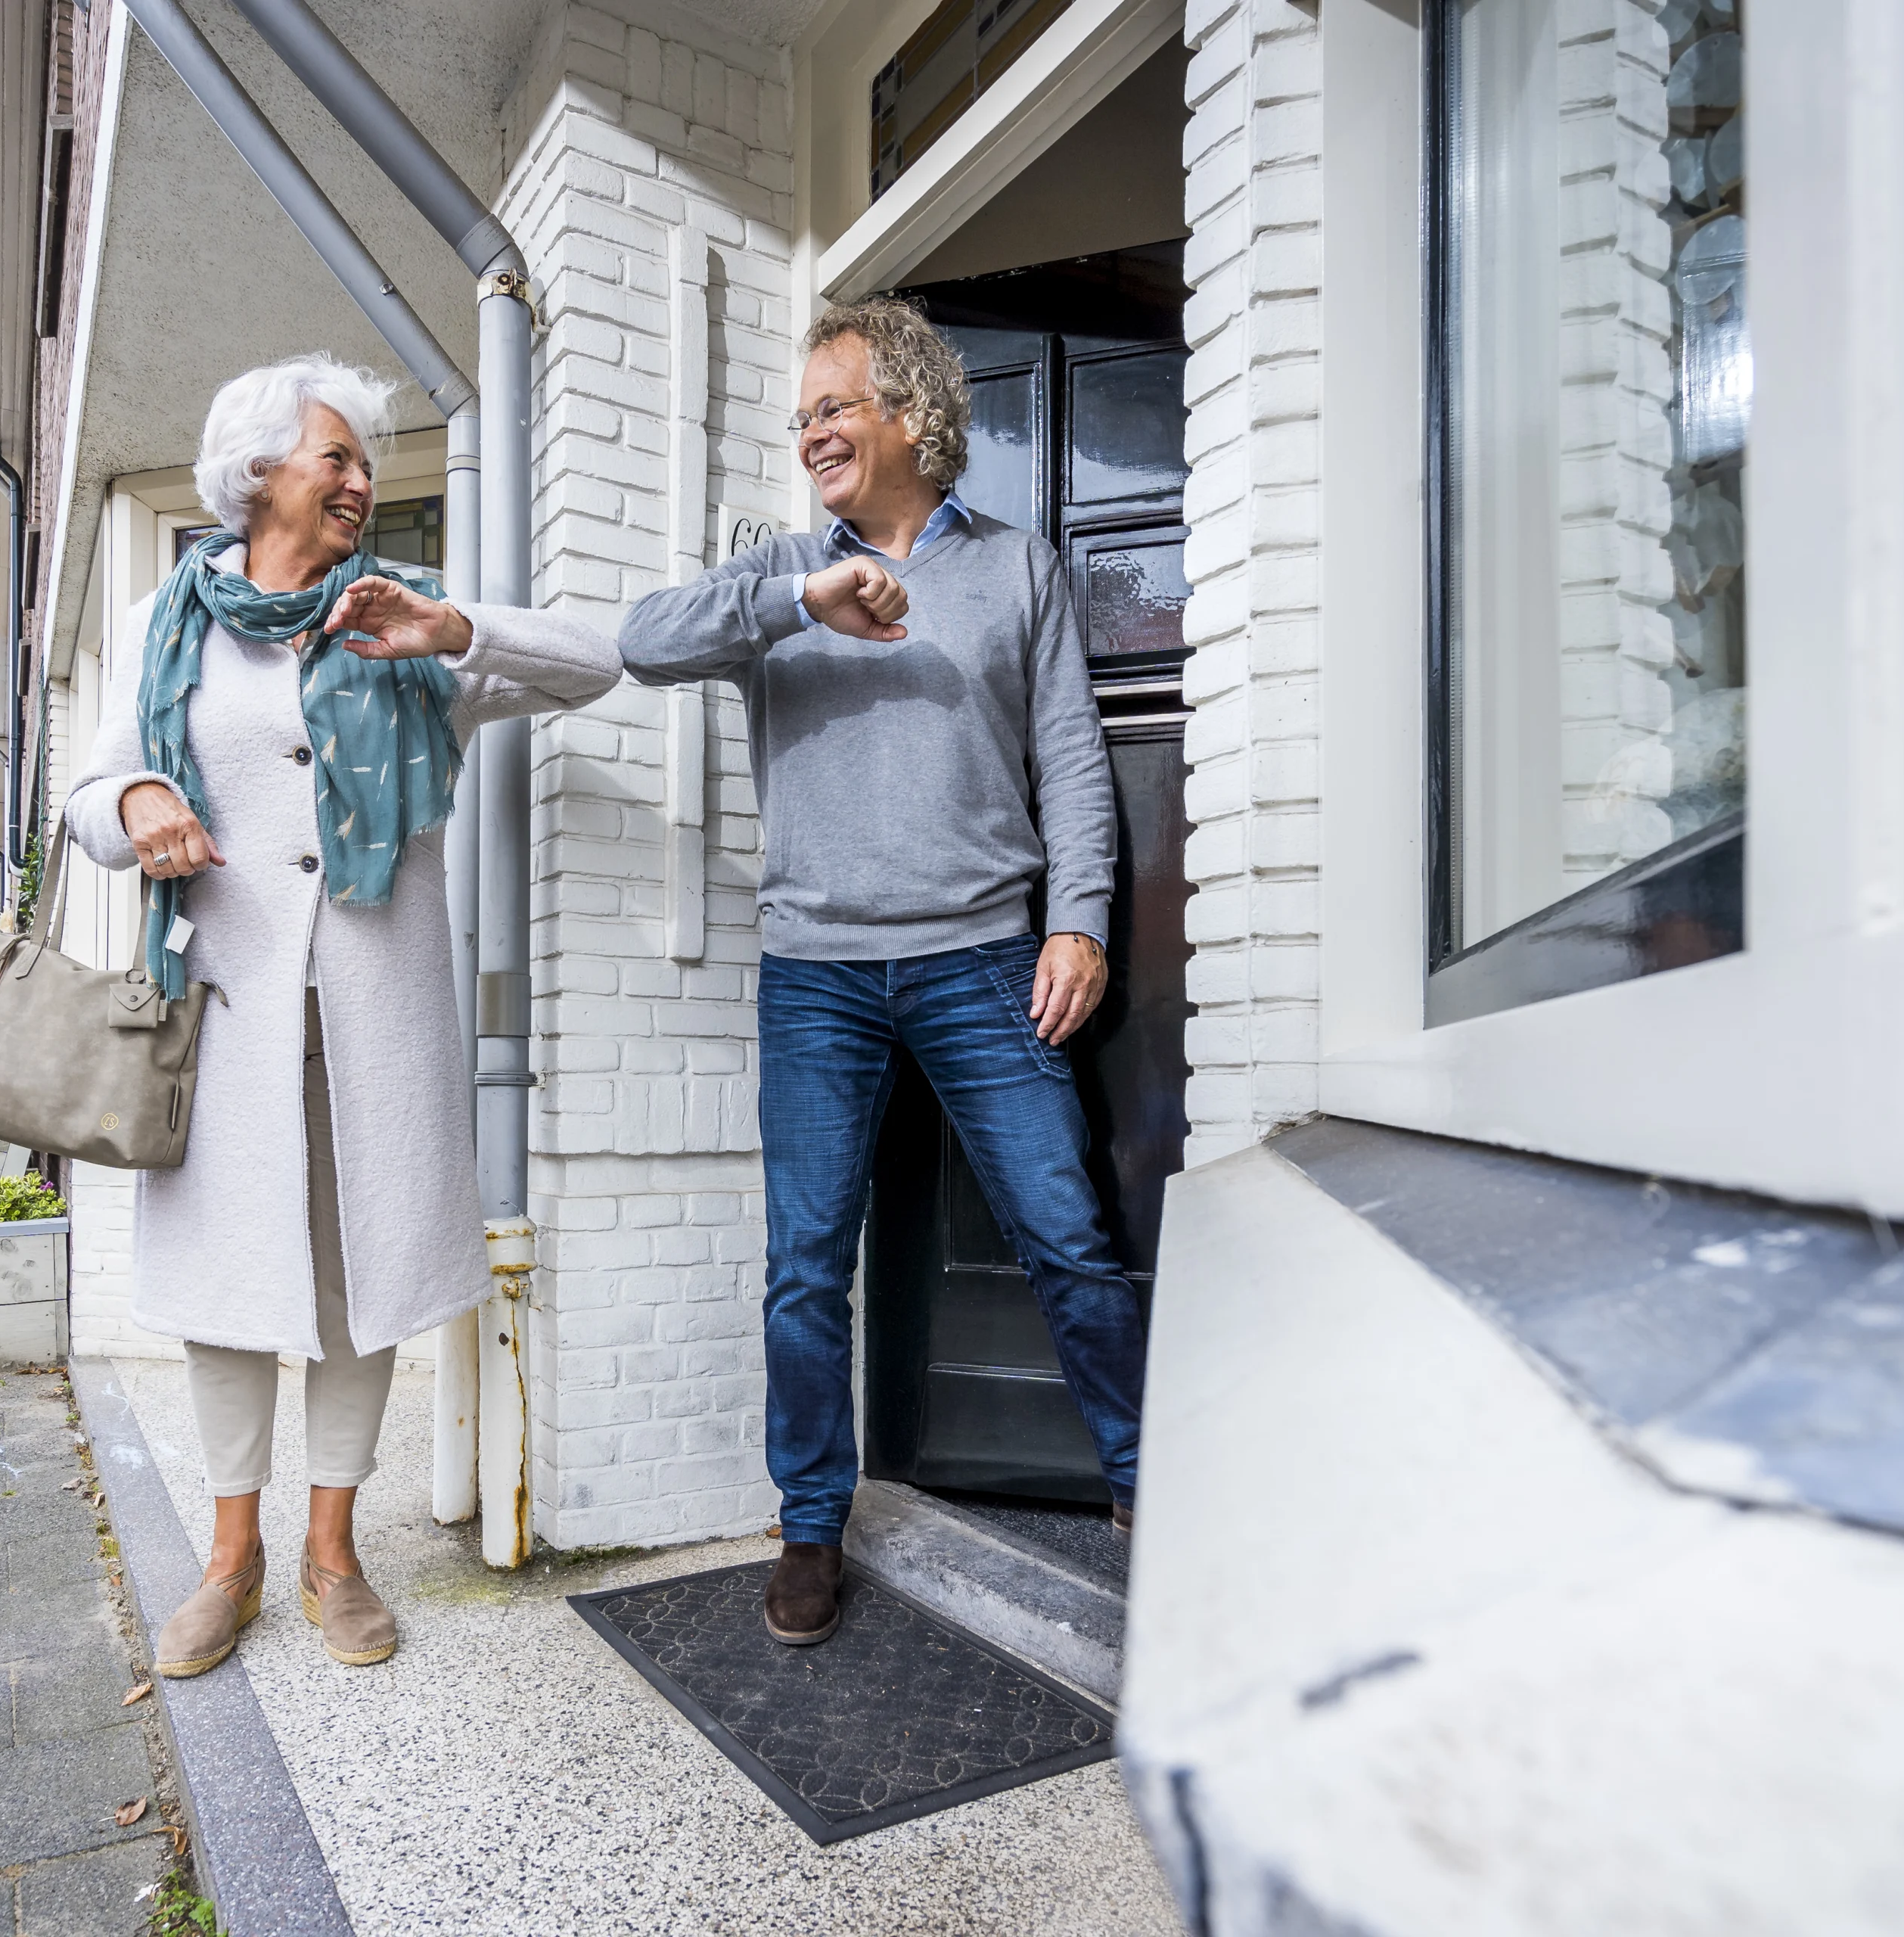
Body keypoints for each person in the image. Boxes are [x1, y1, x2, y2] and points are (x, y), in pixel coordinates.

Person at [67, 356, 619, 1676]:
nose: (365, 481)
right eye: (340, 458)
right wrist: (140, 800)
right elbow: (86, 797)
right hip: (227, 1007)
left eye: (371, 462)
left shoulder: (399, 620)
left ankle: (333, 1554)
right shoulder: (170, 622)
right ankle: (229, 1557)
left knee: (355, 1279)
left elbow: (592, 666)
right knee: (227, 1290)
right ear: (260, 472)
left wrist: (456, 634)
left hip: (375, 1013)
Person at [617, 298, 1147, 1647]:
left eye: (832, 411)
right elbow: (642, 640)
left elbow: (1074, 764)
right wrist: (802, 597)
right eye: (800, 420)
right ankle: (810, 1527)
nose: (811, 438)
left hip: (985, 958)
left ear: (911, 412)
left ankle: (1150, 1485)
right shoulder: (781, 575)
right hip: (817, 974)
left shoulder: (1019, 569)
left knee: (1067, 1235)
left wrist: (1076, 919)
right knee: (806, 1267)